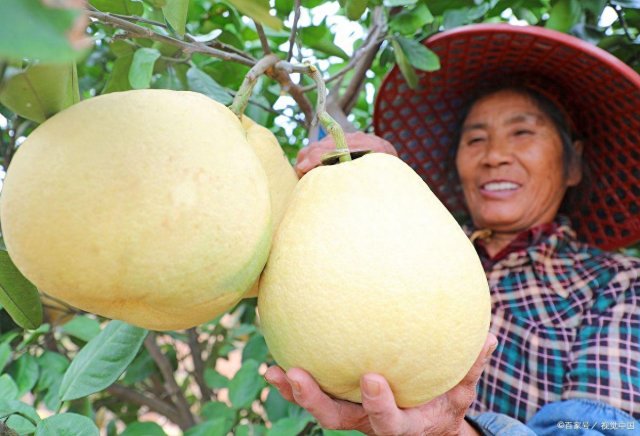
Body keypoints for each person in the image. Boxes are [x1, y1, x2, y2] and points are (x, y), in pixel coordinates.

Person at [264, 24, 640, 435]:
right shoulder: (413, 238)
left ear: (573, 162)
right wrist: (375, 182)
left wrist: (451, 431)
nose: (495, 156)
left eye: (522, 132)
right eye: (475, 139)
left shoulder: (617, 284)